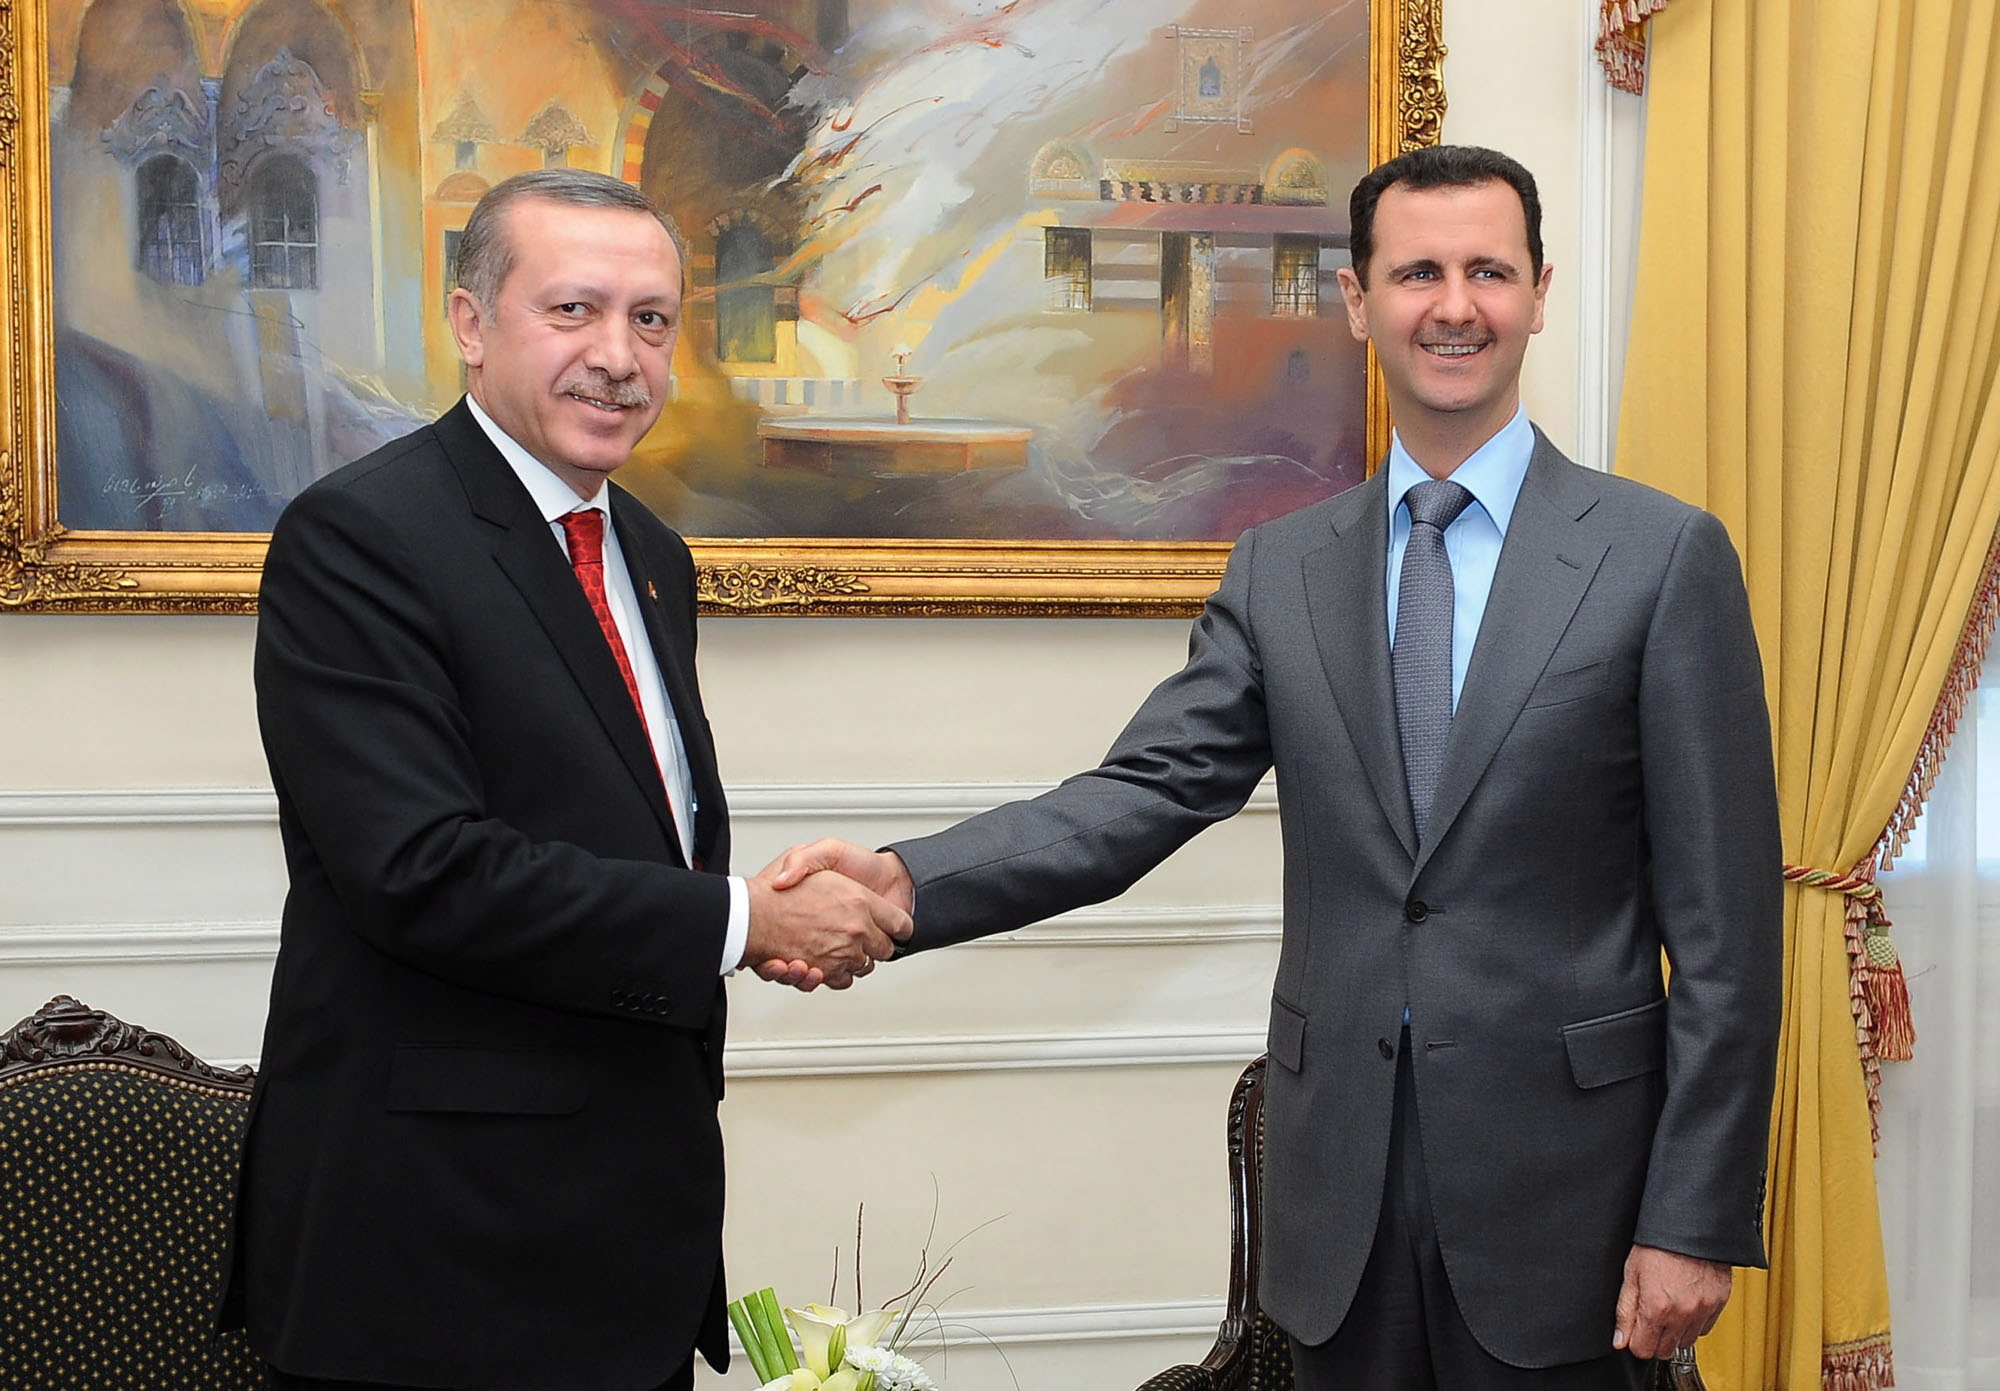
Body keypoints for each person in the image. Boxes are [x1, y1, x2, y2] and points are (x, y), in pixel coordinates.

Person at [767, 146, 1783, 1390]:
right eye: (1415, 271)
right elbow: (1140, 790)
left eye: (1486, 271)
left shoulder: (1659, 556)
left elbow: (1727, 936)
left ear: (1536, 291)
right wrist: (900, 881)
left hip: (1570, 1207)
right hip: (1331, 1208)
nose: (1451, 304)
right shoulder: (1280, 568)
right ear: (1357, 302)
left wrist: (1692, 1214)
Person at [221, 169, 911, 1391]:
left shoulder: (647, 552)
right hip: (436, 1273)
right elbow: (422, 870)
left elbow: (631, 849)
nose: (619, 356)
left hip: (622, 1260)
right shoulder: (362, 538)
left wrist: (741, 920)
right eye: (573, 310)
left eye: (650, 319)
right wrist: (746, 918)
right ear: (471, 324)